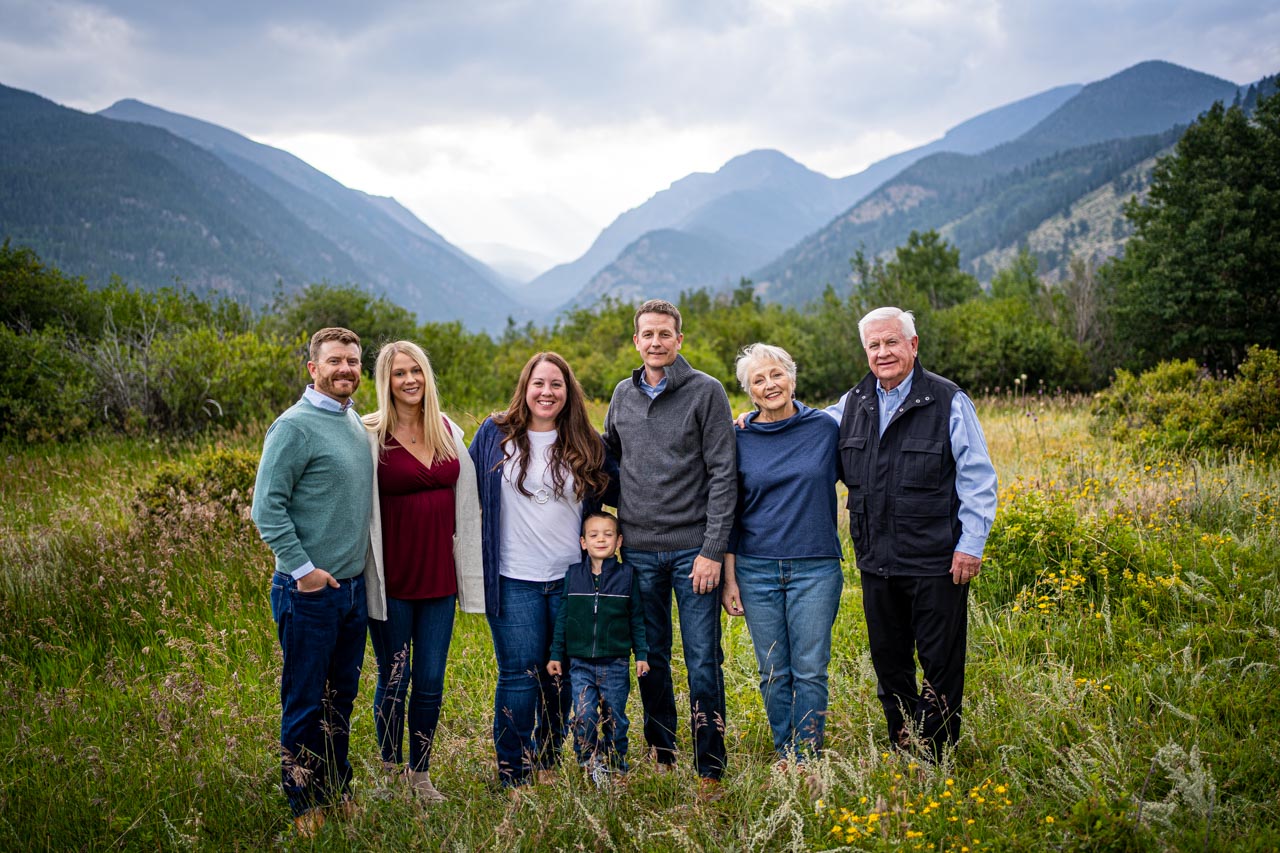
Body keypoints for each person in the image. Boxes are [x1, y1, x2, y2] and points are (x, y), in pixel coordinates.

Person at [830, 306, 997, 760]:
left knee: (941, 663)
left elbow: (978, 479)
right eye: (874, 345)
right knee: (890, 662)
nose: (883, 353)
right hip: (876, 560)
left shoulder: (947, 400)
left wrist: (970, 546)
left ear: (913, 345)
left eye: (891, 342)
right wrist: (752, 423)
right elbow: (802, 430)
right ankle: (905, 745)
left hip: (937, 560)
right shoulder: (851, 404)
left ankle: (937, 753)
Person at [603, 299, 737, 790]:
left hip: (692, 552)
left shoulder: (707, 392)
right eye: (647, 335)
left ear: (679, 340)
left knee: (704, 659)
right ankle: (663, 753)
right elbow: (609, 457)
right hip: (637, 551)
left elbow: (725, 474)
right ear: (636, 341)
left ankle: (711, 769)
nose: (655, 342)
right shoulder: (622, 394)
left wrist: (710, 550)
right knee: (650, 656)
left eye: (665, 334)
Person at [469, 352, 617, 788]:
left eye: (556, 384)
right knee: (519, 673)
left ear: (568, 392)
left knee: (561, 674)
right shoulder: (495, 435)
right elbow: (463, 486)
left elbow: (627, 485)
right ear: (525, 387)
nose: (547, 392)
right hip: (513, 578)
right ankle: (512, 771)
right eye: (539, 383)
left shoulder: (588, 442)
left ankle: (548, 759)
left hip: (571, 578)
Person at [251, 327, 374, 837]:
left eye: (353, 361)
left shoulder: (349, 422)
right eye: (335, 362)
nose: (345, 369)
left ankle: (336, 790)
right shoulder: (293, 427)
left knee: (340, 698)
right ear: (313, 369)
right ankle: (304, 805)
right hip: (309, 593)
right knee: (305, 700)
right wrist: (303, 572)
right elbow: (267, 508)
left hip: (351, 590)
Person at [362, 341, 483, 801]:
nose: (409, 380)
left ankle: (421, 775)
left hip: (438, 579)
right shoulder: (369, 433)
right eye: (399, 373)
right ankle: (392, 773)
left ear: (427, 376)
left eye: (416, 371)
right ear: (385, 382)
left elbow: (471, 498)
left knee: (430, 680)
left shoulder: (447, 430)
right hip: (391, 580)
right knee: (395, 676)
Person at [719, 343, 843, 767]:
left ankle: (807, 757)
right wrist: (730, 577)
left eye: (776, 374)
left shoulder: (826, 429)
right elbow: (730, 512)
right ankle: (784, 753)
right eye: (758, 379)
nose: (769, 384)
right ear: (749, 392)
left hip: (816, 567)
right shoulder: (738, 437)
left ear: (792, 378)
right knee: (772, 671)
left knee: (810, 669)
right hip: (755, 569)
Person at [548, 511, 650, 782]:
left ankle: (617, 765)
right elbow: (563, 617)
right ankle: (589, 762)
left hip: (615, 662)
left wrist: (641, 655)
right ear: (583, 542)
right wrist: (556, 654)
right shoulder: (574, 575)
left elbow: (636, 617)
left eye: (608, 534)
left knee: (615, 717)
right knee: (583, 715)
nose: (601, 539)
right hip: (579, 662)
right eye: (594, 535)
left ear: (619, 541)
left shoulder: (627, 576)